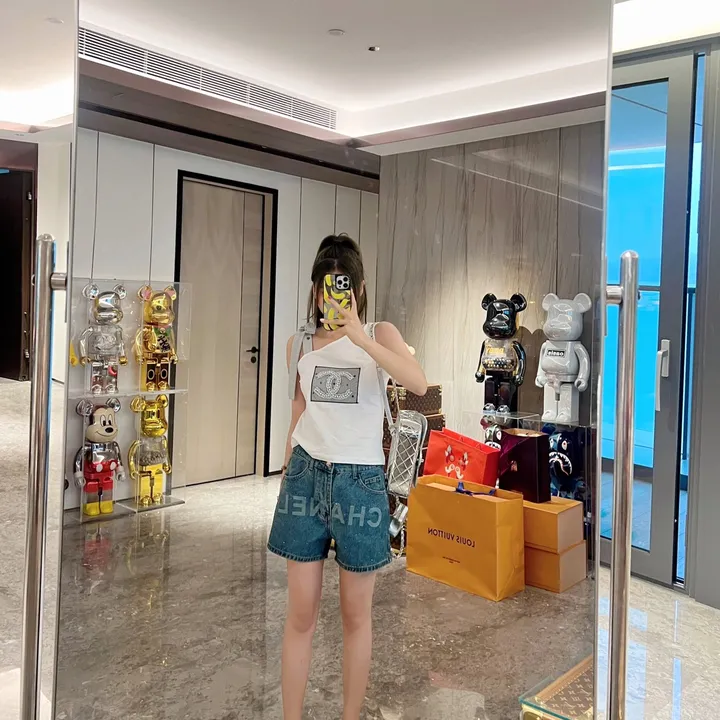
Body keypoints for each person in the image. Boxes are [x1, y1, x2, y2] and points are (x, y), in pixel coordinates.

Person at [267, 234, 427, 720]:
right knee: (300, 614)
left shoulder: (381, 334)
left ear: (357, 291)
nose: (332, 298)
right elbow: (299, 410)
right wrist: (285, 468)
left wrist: (360, 337)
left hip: (361, 482)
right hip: (305, 476)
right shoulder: (298, 343)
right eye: (324, 287)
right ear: (315, 290)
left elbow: (418, 383)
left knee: (356, 616)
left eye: (343, 287)